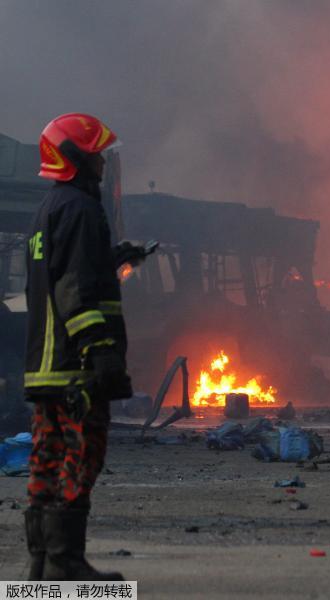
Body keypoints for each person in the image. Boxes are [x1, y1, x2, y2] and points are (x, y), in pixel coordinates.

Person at [24, 113, 133, 581]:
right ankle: (67, 565)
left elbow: (65, 275)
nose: (104, 162)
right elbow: (76, 289)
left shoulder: (49, 209)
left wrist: (112, 261)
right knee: (80, 455)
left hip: (45, 367)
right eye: (97, 153)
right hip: (76, 367)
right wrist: (101, 351)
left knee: (46, 460)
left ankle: (42, 567)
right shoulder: (84, 210)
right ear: (75, 157)